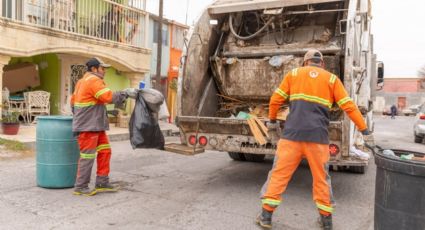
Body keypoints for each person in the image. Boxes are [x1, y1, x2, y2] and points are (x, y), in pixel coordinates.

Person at [256, 49, 374, 229]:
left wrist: (272, 121)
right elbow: (349, 106)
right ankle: (326, 221)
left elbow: (275, 100)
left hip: (291, 138)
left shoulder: (293, 74)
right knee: (321, 179)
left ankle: (266, 217)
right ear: (322, 63)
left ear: (305, 62)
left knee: (279, 175)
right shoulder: (332, 79)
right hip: (318, 139)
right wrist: (365, 130)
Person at [71, 57, 138, 196]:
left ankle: (102, 182)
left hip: (93, 125)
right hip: (89, 127)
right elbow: (107, 97)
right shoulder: (94, 80)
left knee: (105, 151)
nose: (105, 71)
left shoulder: (81, 82)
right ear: (94, 69)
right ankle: (81, 186)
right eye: (103, 68)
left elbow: (73, 103)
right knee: (87, 156)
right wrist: (124, 93)